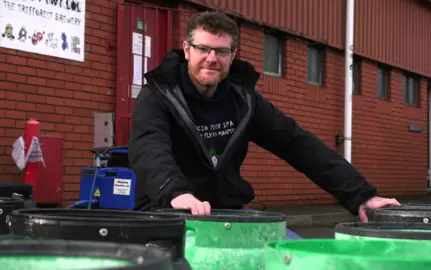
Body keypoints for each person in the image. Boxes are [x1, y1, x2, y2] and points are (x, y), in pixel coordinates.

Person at [128, 11, 400, 235]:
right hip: (166, 212)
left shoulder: (244, 101)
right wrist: (176, 193)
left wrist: (361, 195)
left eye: (221, 51)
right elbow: (149, 147)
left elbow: (297, 144)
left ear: (232, 55)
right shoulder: (157, 95)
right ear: (187, 49)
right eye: (203, 48)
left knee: (297, 258)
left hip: (228, 214)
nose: (211, 59)